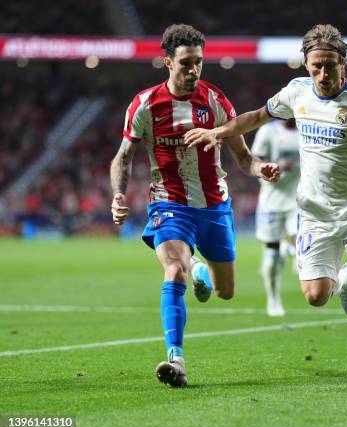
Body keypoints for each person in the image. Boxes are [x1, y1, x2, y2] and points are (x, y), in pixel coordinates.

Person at [184, 24, 347, 384]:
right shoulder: (296, 93)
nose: (323, 74)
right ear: (305, 65)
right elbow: (257, 117)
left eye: (330, 65)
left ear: (344, 63)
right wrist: (218, 132)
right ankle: (343, 280)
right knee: (314, 296)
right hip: (314, 213)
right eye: (316, 66)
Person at [109, 24, 279, 388]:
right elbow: (124, 156)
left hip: (215, 206)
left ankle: (200, 266)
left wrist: (259, 169)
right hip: (170, 204)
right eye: (186, 63)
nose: (194, 70)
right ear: (167, 62)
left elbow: (243, 157)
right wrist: (119, 194)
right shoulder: (144, 105)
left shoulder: (216, 101)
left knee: (226, 291)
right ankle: (176, 358)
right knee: (173, 270)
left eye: (199, 62)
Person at [251, 118, 300, 316]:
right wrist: (277, 166)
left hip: (298, 199)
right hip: (271, 202)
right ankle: (273, 298)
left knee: (300, 239)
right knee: (271, 256)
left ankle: (295, 252)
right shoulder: (268, 131)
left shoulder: (307, 128)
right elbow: (255, 164)